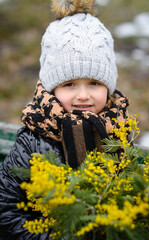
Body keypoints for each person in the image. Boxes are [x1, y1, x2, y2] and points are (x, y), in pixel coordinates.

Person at [0, 0, 129, 239]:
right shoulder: (33, 140)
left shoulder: (120, 128)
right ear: (52, 89)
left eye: (94, 83)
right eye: (69, 84)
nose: (83, 95)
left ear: (109, 87)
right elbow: (6, 210)